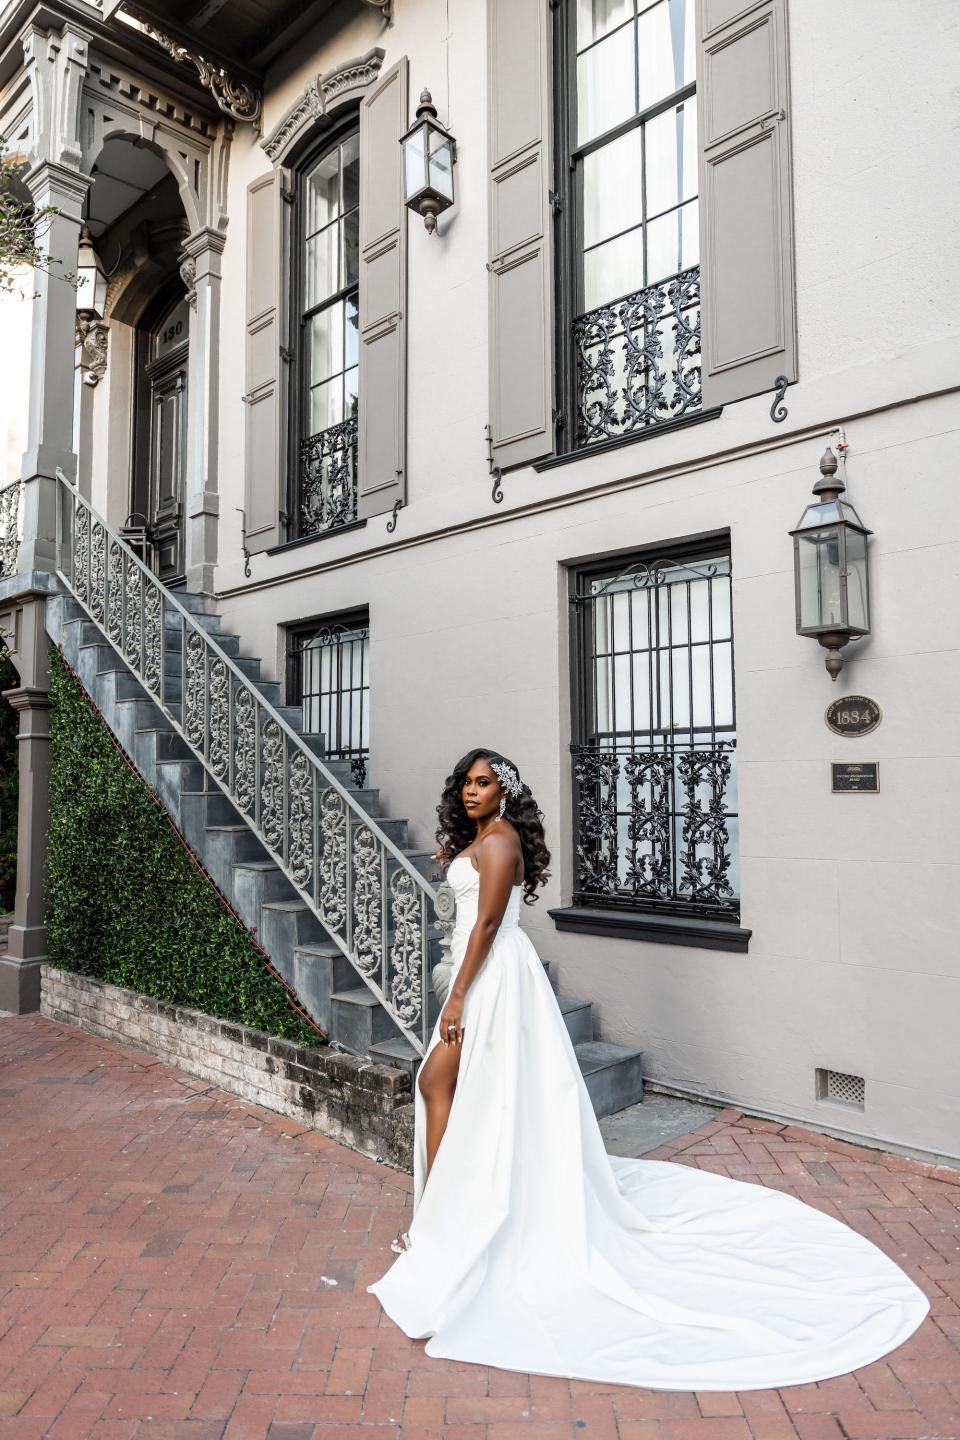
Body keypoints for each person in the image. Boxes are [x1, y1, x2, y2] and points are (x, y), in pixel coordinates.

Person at [366, 747, 929, 1391]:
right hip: (489, 970)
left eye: (484, 782)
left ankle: (439, 1223)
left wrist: (461, 993)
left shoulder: (499, 843)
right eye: (465, 782)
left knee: (442, 1080)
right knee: (453, 1084)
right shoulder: (487, 839)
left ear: (505, 791)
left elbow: (490, 921)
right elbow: (475, 906)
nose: (471, 790)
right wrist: (457, 862)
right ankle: (439, 1216)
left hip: (491, 975)